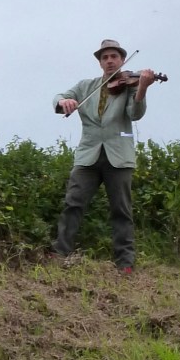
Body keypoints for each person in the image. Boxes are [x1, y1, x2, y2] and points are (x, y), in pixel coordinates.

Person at [51, 39, 157, 273]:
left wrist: (143, 88)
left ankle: (125, 263)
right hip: (88, 155)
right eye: (105, 57)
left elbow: (135, 113)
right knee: (73, 203)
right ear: (100, 62)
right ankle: (61, 252)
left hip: (119, 156)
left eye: (114, 57)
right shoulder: (85, 86)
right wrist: (63, 101)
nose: (109, 61)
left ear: (121, 60)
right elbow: (58, 99)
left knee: (121, 210)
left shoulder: (130, 86)